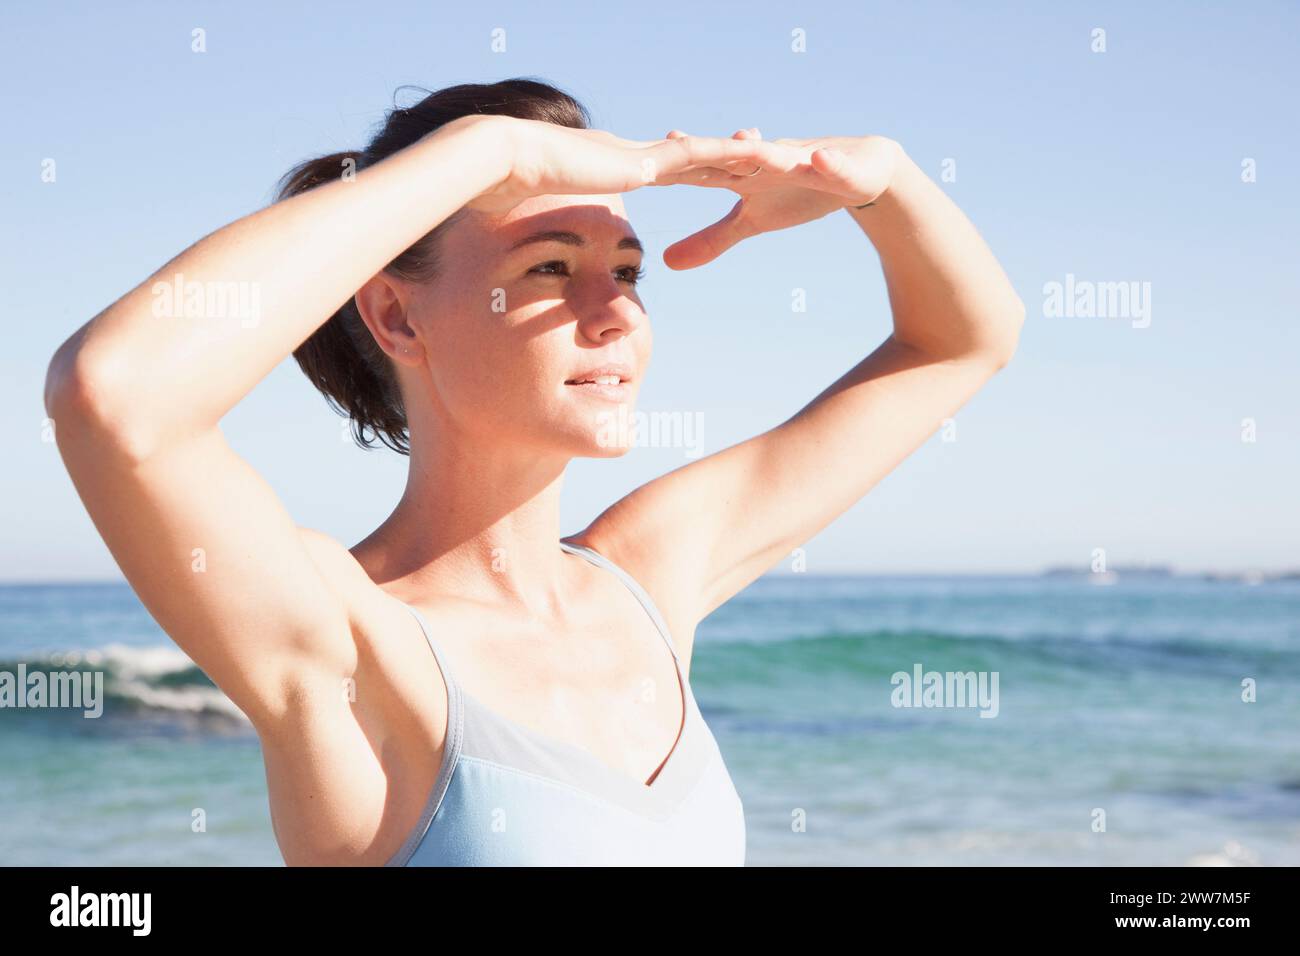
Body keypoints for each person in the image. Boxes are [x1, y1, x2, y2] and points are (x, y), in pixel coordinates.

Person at [43, 77, 1025, 865]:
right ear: (395, 316)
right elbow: (118, 396)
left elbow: (962, 342)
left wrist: (883, 181)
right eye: (551, 267)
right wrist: (492, 152)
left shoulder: (648, 574)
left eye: (629, 270)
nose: (616, 314)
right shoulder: (350, 636)